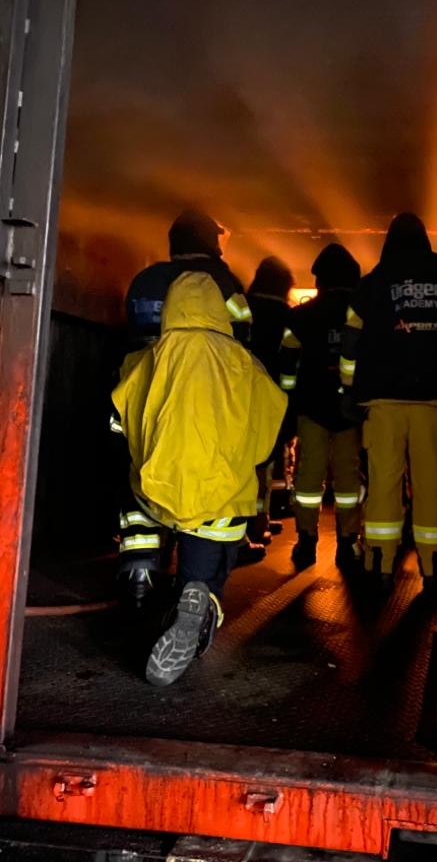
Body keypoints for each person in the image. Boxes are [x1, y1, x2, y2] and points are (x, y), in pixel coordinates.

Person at [111, 271, 287, 686]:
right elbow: (266, 434)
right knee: (206, 571)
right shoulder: (247, 365)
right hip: (218, 504)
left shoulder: (145, 359)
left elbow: (121, 426)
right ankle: (200, 599)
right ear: (219, 313)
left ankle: (139, 571)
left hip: (158, 492)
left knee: (134, 496)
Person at [340, 213, 437, 592]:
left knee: (383, 482)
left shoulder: (369, 288)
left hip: (382, 403)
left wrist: (348, 391)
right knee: (431, 483)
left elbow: (350, 344)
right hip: (432, 403)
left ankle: (379, 563)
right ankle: (434, 568)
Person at [279, 244, 363, 571]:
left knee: (308, 476)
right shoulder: (363, 314)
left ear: (319, 280)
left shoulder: (299, 316)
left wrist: (289, 401)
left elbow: (287, 364)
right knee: (348, 478)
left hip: (311, 408)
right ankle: (348, 543)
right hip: (349, 411)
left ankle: (306, 540)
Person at [125, 209, 252, 347]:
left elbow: (132, 329)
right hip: (206, 359)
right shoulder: (224, 282)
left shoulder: (147, 279)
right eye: (216, 242)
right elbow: (241, 330)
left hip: (150, 359)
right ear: (209, 243)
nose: (220, 251)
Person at [246, 257, 295, 537]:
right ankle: (259, 521)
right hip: (272, 398)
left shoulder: (244, 306)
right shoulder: (286, 316)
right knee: (264, 462)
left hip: (240, 395)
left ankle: (250, 522)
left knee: (243, 461)